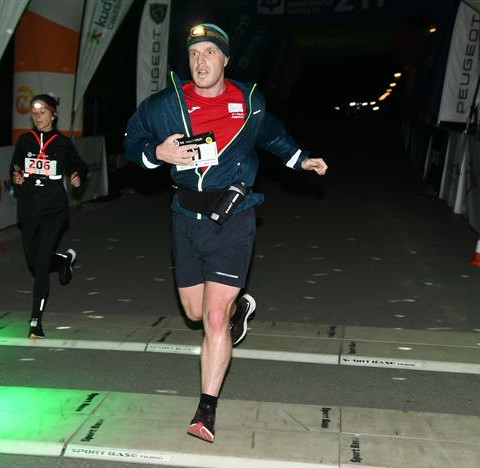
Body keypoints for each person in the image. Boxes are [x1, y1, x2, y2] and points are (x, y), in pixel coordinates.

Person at [124, 23, 328, 443]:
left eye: (210, 53)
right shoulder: (165, 105)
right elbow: (131, 140)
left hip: (234, 217)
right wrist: (156, 152)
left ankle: (205, 411)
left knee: (214, 318)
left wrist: (301, 160)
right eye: (194, 53)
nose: (201, 61)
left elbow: (273, 136)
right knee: (194, 313)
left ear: (225, 60)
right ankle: (239, 312)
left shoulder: (248, 103)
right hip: (185, 218)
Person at [10, 94, 88, 339]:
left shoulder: (62, 143)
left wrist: (76, 176)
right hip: (29, 208)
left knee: (42, 266)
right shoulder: (25, 140)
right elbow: (15, 165)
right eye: (34, 113)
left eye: (42, 113)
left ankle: (36, 320)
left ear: (53, 114)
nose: (38, 117)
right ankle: (64, 261)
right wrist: (16, 175)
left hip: (54, 209)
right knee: (33, 264)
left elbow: (80, 166)